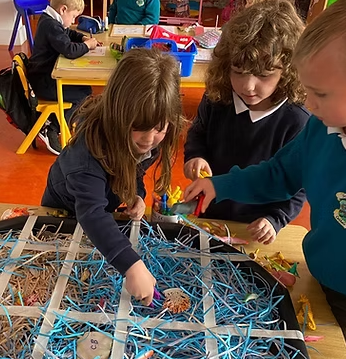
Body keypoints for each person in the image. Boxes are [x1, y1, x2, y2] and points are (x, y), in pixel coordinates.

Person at [184, 0, 346, 357]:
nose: (309, 105)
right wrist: (219, 184)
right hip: (320, 272)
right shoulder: (323, 126)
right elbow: (278, 174)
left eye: (319, 94)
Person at [41, 48, 185, 305]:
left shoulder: (146, 140)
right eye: (138, 127)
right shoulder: (87, 154)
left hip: (100, 209)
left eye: (159, 127)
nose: (149, 139)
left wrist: (137, 194)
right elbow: (91, 213)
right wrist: (131, 266)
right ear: (118, 115)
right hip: (65, 210)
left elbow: (134, 170)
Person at [184, 0, 308, 244]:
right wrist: (194, 156)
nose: (247, 86)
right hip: (211, 213)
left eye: (263, 75)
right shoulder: (217, 97)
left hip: (253, 228)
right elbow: (197, 133)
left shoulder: (297, 120)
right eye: (238, 71)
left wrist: (276, 219)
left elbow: (297, 183)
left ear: (288, 71)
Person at [27, 0, 98, 155]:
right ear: (63, 9)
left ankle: (56, 122)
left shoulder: (52, 20)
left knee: (85, 90)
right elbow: (69, 50)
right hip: (44, 82)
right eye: (73, 17)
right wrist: (88, 46)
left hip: (44, 76)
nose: (73, 21)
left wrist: (82, 38)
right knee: (82, 94)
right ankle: (51, 126)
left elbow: (68, 33)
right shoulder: (50, 25)